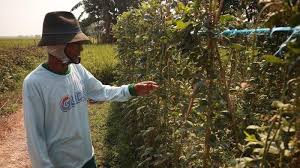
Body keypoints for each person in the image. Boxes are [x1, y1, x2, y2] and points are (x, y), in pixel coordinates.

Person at [22, 11, 159, 168]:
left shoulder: (77, 70)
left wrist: (131, 90)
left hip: (88, 158)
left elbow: (101, 91)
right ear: (58, 46)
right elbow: (35, 138)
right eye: (76, 44)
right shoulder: (34, 83)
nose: (81, 49)